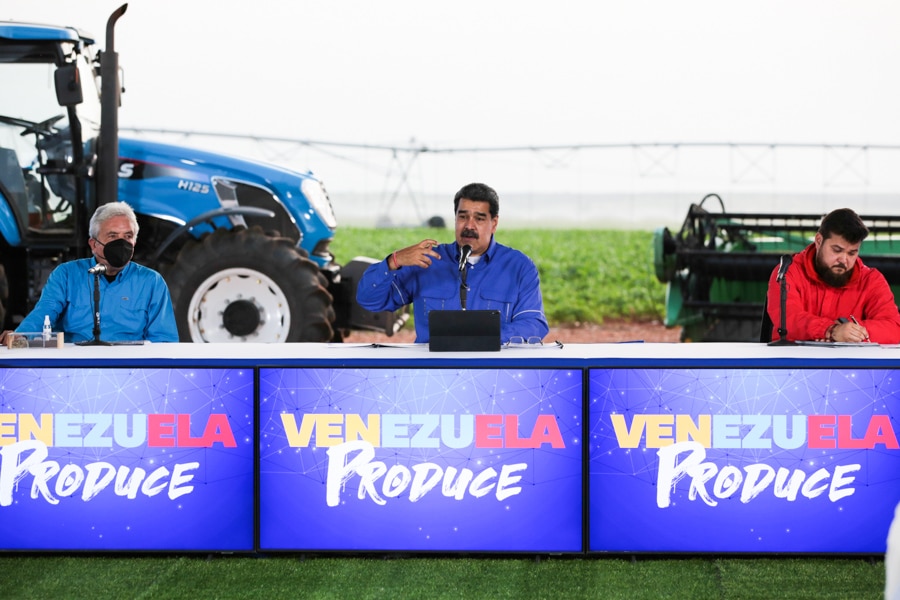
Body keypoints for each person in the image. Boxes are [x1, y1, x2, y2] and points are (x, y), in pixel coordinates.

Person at [356, 182, 549, 344]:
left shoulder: (519, 267)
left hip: (493, 375)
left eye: (479, 218)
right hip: (432, 376)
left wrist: (480, 339)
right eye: (463, 217)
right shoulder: (427, 261)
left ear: (494, 223)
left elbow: (533, 324)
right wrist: (393, 261)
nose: (469, 226)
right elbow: (369, 300)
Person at [0, 202, 178, 344]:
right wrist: (21, 336)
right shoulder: (66, 275)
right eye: (113, 236)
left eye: (128, 236)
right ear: (94, 244)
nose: (121, 243)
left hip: (128, 373)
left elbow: (163, 341)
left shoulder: (152, 282)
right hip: (74, 369)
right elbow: (45, 312)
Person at [765, 207, 900, 344]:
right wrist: (831, 330)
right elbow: (788, 320)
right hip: (794, 364)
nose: (843, 259)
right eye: (837, 250)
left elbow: (895, 329)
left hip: (850, 365)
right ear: (818, 241)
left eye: (852, 253)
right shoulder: (787, 272)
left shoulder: (871, 280)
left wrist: (852, 331)